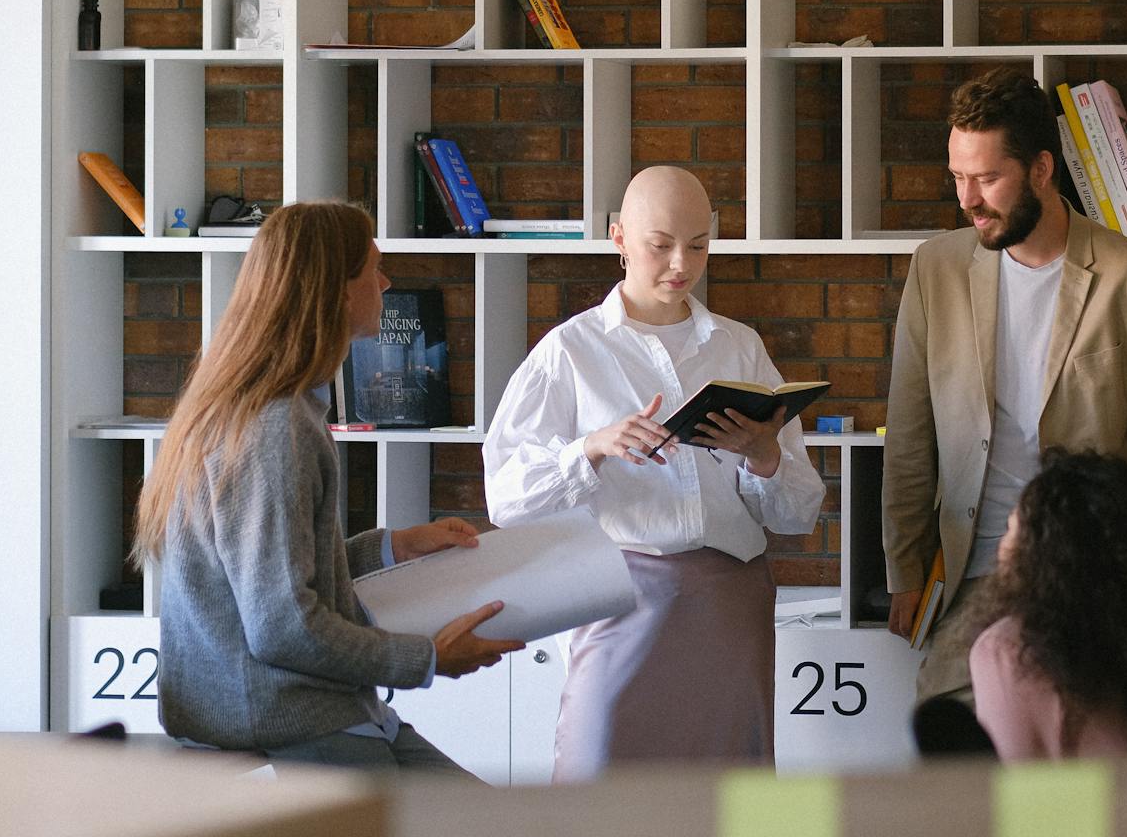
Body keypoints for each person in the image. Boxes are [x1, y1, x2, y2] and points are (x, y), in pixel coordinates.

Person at [133, 200, 522, 773]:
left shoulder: (275, 411)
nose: (386, 284)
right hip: (292, 726)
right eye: (374, 268)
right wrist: (427, 658)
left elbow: (272, 571)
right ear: (336, 291)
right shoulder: (275, 429)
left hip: (326, 714)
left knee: (508, 828)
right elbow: (283, 627)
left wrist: (394, 548)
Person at [484, 166, 827, 781]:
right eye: (660, 244)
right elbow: (505, 497)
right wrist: (591, 447)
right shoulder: (570, 351)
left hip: (729, 601)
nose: (681, 264)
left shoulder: (739, 346)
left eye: (698, 245)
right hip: (617, 598)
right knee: (596, 780)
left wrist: (764, 455)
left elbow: (797, 514)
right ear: (618, 237)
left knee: (730, 794)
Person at [883, 69, 1127, 711]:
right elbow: (910, 437)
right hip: (970, 574)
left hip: (1092, 578)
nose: (967, 199)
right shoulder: (935, 269)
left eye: (986, 178)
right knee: (948, 734)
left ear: (1040, 169)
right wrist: (905, 570)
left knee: (1078, 746)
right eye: (957, 177)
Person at [958, 449, 1127, 761]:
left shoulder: (1005, 648)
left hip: (1077, 796)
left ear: (1041, 554)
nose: (1002, 546)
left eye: (1011, 530)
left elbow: (1013, 779)